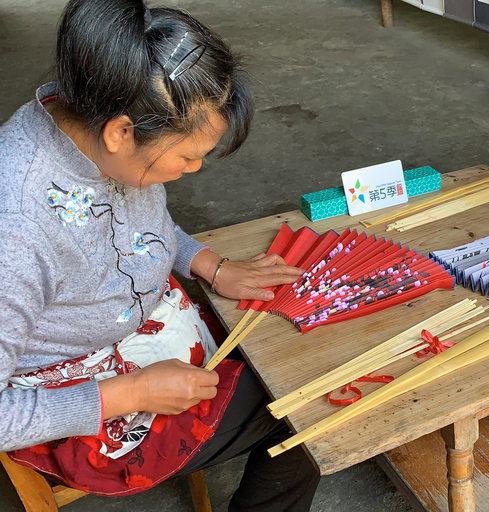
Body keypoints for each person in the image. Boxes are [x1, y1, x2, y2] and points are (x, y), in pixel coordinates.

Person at [0, 0, 320, 509]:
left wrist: (211, 265)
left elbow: (138, 221)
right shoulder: (15, 231)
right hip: (79, 401)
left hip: (151, 327)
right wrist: (132, 395)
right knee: (310, 409)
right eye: (188, 155)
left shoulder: (90, 116)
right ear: (121, 132)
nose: (194, 169)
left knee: (296, 342)